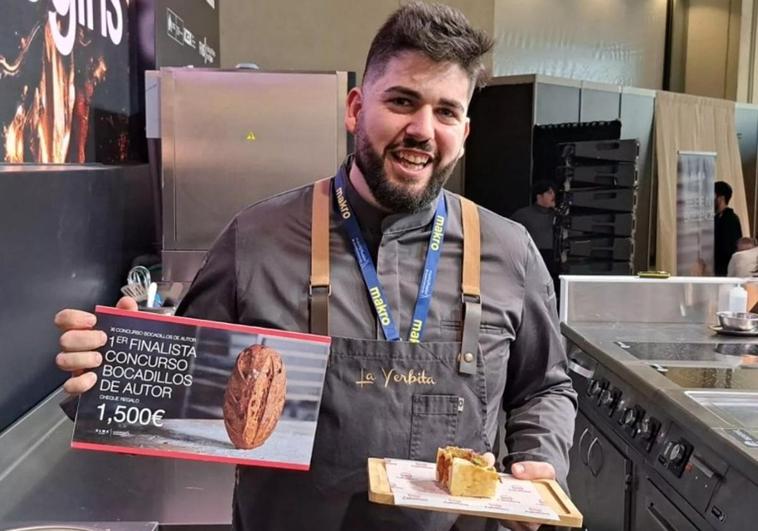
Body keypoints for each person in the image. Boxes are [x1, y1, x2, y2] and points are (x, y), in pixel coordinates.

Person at [54, 3, 577, 531]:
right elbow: (182, 389)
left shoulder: (509, 251)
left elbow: (544, 386)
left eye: (445, 112)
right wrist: (109, 374)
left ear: (464, 132)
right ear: (355, 108)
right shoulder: (256, 238)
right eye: (401, 101)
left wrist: (540, 457)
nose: (422, 129)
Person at [510, 180, 557, 277]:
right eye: (549, 193)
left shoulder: (556, 215)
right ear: (539, 196)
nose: (553, 195)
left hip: (553, 259)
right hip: (532, 258)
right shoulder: (523, 214)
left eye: (553, 193)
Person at [714, 181, 742, 276]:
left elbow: (729, 250)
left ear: (721, 198)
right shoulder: (716, 218)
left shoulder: (731, 219)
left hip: (725, 275)